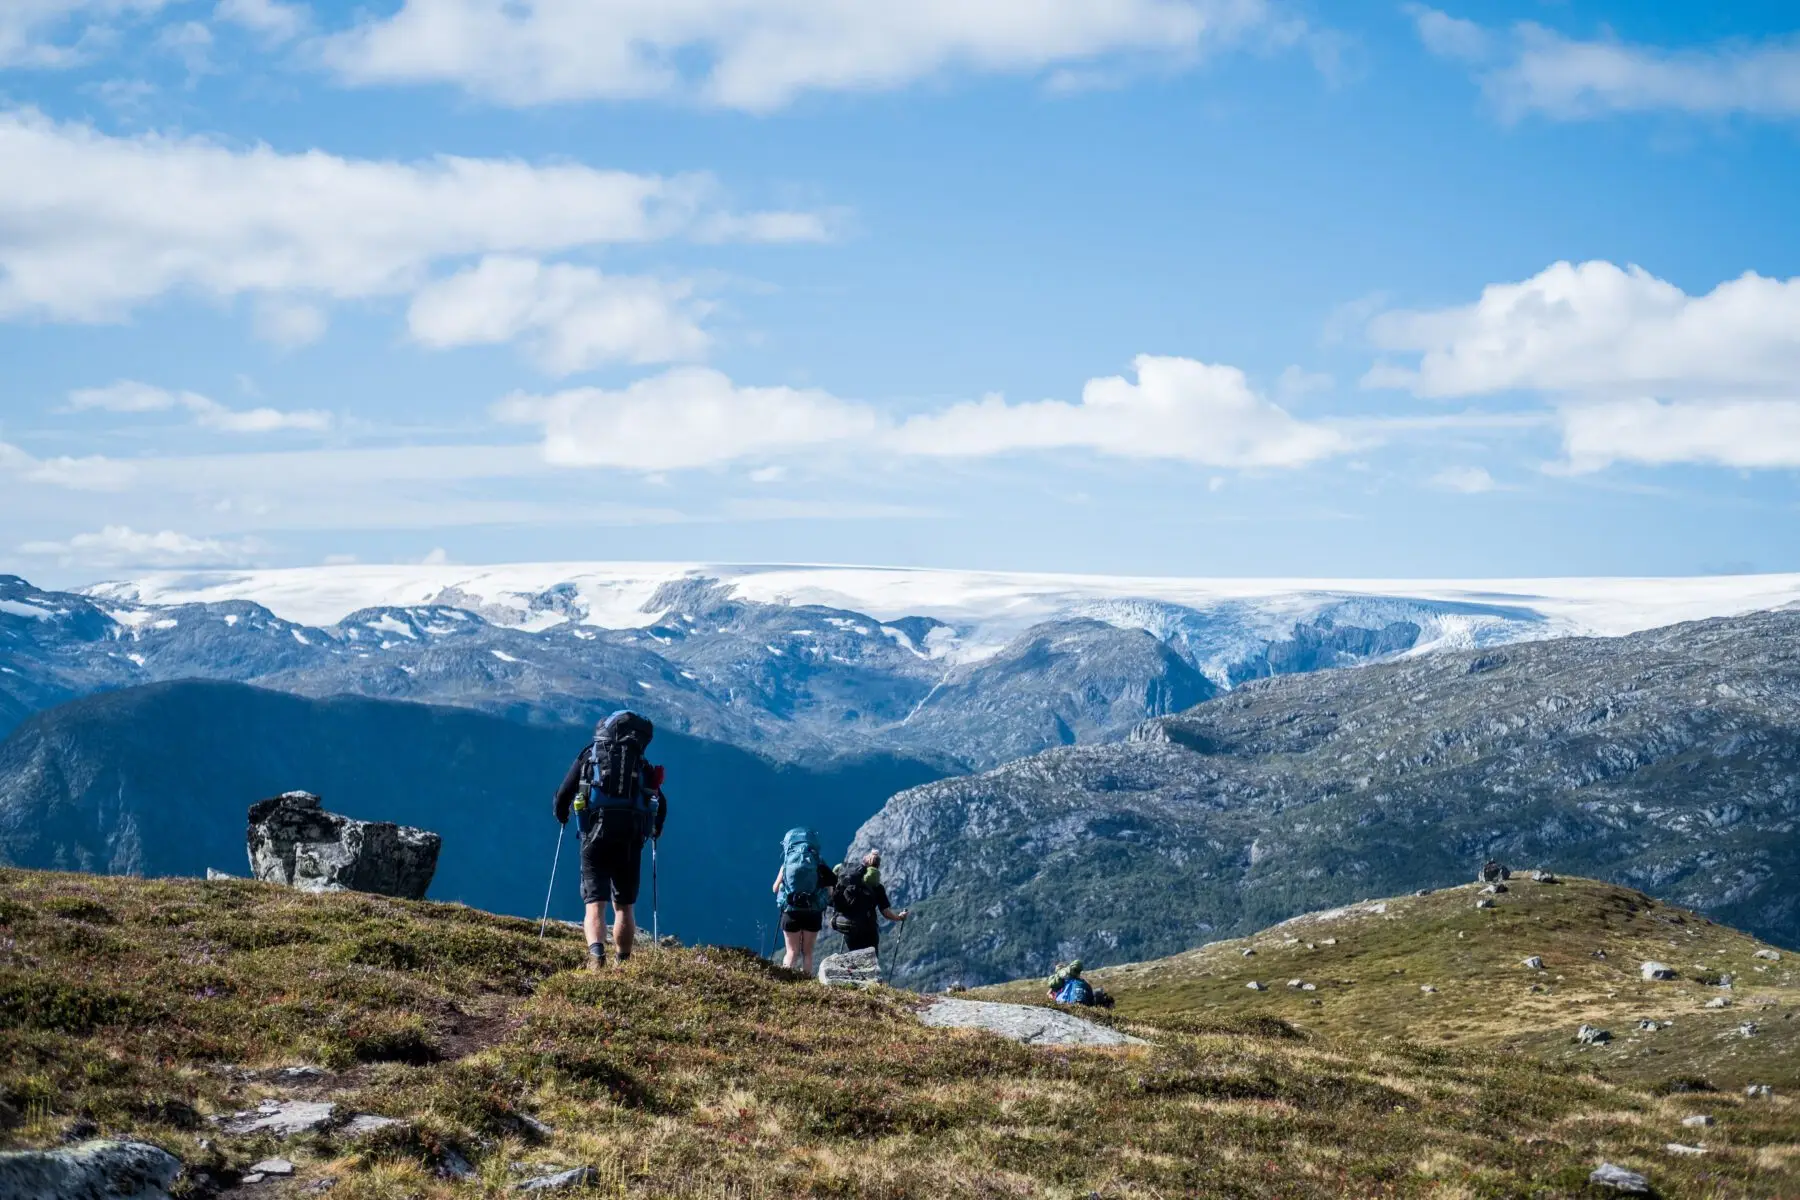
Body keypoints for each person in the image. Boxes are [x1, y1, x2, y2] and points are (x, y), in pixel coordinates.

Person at [554, 711, 666, 972]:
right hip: (630, 840)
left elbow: (563, 794)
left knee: (595, 903)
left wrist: (562, 816)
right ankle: (623, 963)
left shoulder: (589, 755)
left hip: (594, 835)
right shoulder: (640, 763)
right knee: (624, 906)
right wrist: (655, 829)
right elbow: (661, 803)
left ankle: (596, 958)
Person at [773, 827, 836, 975]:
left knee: (791, 952)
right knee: (807, 953)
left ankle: (785, 982)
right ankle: (806, 985)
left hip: (790, 912)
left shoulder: (787, 864)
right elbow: (830, 891)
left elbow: (775, 889)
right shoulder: (819, 863)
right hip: (812, 913)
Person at [829, 849, 908, 953]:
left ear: (862, 866)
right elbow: (886, 913)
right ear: (877, 867)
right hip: (868, 930)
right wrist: (899, 917)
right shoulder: (877, 887)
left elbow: (833, 900)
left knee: (854, 958)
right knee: (871, 962)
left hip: (848, 928)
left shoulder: (848, 883)